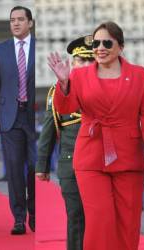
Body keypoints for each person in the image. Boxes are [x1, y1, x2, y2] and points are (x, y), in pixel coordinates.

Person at [48, 21, 144, 250]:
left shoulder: (139, 76)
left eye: (106, 42)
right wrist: (63, 84)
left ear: (120, 46)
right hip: (91, 157)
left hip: (128, 157)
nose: (100, 48)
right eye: (97, 43)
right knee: (100, 220)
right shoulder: (79, 76)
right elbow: (65, 108)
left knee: (128, 222)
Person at [36, 35, 95, 250]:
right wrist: (42, 166)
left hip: (99, 163)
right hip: (70, 164)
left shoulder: (103, 87)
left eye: (91, 60)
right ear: (73, 63)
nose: (86, 65)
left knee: (99, 217)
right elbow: (49, 129)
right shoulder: (58, 91)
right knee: (76, 216)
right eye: (81, 60)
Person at [0, 6, 36, 235]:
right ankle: (18, 218)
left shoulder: (40, 47)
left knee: (36, 168)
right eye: (12, 20)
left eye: (20, 19)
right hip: (9, 118)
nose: (15, 23)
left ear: (30, 23)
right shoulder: (0, 50)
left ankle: (35, 213)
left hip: (35, 117)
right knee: (15, 170)